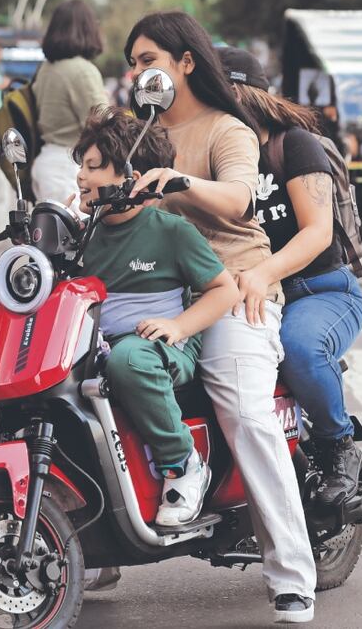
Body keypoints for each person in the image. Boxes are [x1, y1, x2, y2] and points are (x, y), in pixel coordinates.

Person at [122, 11, 316, 622]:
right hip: (153, 292)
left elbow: (237, 197)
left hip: (233, 287)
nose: (139, 74)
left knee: (246, 414)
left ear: (186, 62)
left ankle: (292, 574)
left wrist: (177, 180)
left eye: (149, 61)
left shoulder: (227, 130)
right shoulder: (137, 133)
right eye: (133, 64)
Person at [218, 46, 362, 511]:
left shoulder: (293, 144)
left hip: (319, 291)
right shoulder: (217, 154)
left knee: (299, 349)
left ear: (242, 93)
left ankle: (338, 444)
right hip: (242, 295)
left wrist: (263, 272)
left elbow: (317, 233)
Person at [74, 106, 238, 526]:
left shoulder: (170, 231)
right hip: (102, 344)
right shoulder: (84, 234)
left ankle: (183, 464)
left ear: (132, 177)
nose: (81, 177)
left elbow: (224, 290)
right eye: (81, 166)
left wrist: (178, 326)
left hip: (163, 347)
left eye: (93, 167)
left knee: (129, 359)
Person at [31, 0, 108, 204]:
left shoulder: (46, 68)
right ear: (87, 29)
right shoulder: (82, 70)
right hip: (68, 167)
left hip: (47, 162)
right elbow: (103, 124)